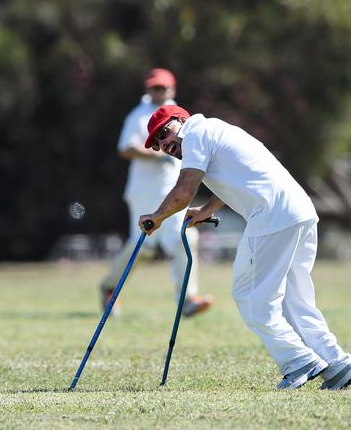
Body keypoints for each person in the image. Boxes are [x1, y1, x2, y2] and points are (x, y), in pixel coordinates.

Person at [139, 104, 351, 390]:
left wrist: (156, 217)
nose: (164, 144)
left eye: (164, 132)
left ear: (181, 120)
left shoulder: (195, 133)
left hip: (272, 217)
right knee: (295, 300)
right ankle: (337, 365)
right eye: (158, 144)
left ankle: (299, 361)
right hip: (299, 212)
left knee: (251, 296)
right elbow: (238, 176)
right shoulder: (215, 129)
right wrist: (207, 209)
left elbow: (184, 190)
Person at [100, 68, 213, 317]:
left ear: (171, 89)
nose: (158, 91)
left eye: (162, 87)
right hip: (143, 191)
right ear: (147, 89)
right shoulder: (137, 116)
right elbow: (126, 149)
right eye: (154, 87)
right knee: (143, 247)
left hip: (172, 189)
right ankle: (110, 287)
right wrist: (155, 154)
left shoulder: (179, 114)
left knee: (184, 237)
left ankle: (187, 298)